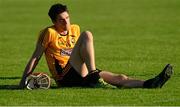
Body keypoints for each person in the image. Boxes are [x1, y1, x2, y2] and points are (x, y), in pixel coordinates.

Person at [19, 3, 173, 89]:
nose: (66, 22)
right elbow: (35, 57)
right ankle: (94, 75)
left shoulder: (74, 29)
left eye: (67, 17)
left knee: (119, 78)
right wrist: (23, 81)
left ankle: (151, 83)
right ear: (54, 22)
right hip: (65, 77)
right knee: (87, 34)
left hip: (79, 71)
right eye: (61, 20)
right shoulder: (49, 33)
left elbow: (80, 52)